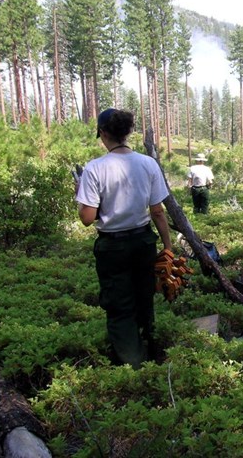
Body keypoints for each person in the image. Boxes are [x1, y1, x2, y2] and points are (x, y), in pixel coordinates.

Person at [75, 108, 173, 369]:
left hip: (112, 246)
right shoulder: (148, 163)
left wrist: (80, 193)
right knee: (144, 296)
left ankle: (133, 366)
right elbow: (157, 211)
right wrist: (168, 247)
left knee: (119, 305)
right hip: (143, 242)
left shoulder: (94, 168)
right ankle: (152, 350)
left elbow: (87, 218)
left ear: (103, 133)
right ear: (127, 132)